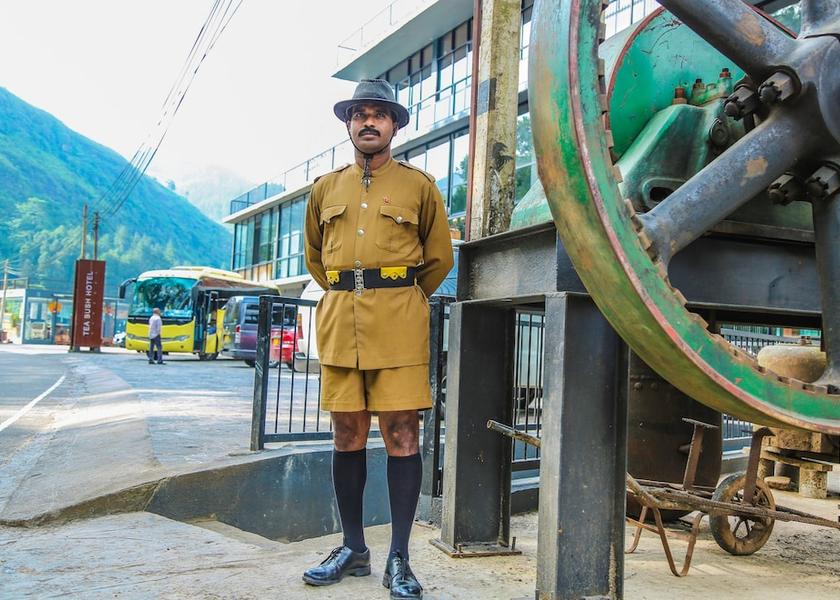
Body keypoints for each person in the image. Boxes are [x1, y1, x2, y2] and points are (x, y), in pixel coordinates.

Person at [302, 79, 454, 599]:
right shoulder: (324, 189)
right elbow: (316, 260)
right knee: (346, 433)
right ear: (349, 125)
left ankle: (400, 559)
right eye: (359, 114)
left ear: (394, 125)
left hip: (399, 323)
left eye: (379, 114)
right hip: (342, 320)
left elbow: (438, 261)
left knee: (401, 435)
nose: (368, 122)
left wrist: (398, 298)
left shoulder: (420, 187)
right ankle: (352, 548)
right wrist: (352, 295)